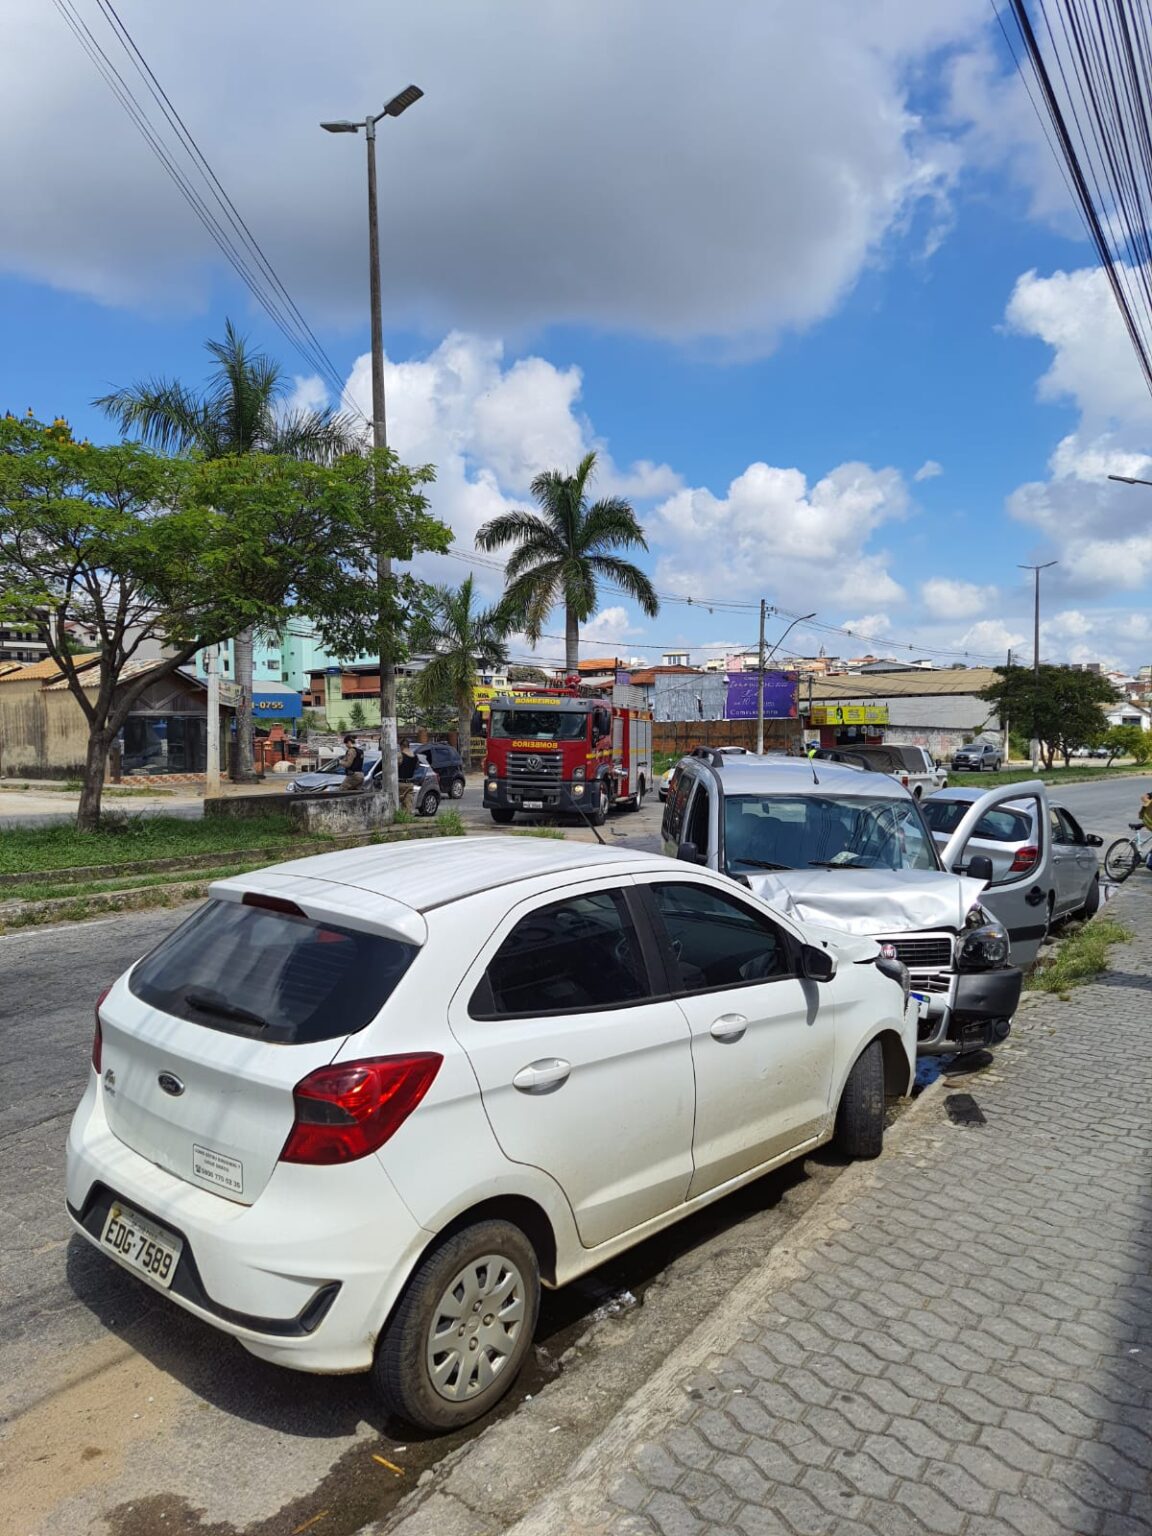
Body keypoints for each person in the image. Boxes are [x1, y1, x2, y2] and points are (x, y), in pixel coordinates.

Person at [398, 739, 418, 812]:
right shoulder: (415, 757)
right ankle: (406, 819)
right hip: (410, 784)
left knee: (396, 805)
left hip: (400, 784)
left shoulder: (400, 756)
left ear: (401, 746)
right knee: (408, 807)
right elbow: (416, 767)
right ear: (408, 746)